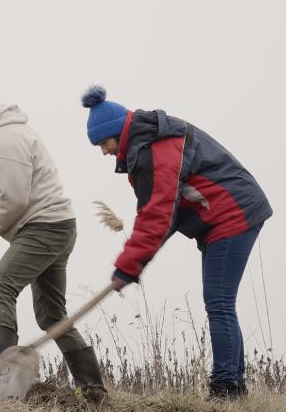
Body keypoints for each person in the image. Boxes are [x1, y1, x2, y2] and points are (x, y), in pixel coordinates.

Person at [79, 85, 272, 400]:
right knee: (221, 303)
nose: (104, 151)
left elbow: (157, 216)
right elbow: (161, 215)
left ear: (117, 133)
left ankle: (225, 388)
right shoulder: (147, 145)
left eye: (104, 143)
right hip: (220, 219)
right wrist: (134, 264)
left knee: (219, 302)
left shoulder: (157, 148)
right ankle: (234, 387)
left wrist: (129, 265)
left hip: (233, 214)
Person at [0, 81, 105, 401]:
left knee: (0, 287)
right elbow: (12, 182)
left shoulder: (3, 139)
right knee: (52, 315)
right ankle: (93, 387)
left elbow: (13, 200)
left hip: (42, 227)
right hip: (55, 225)